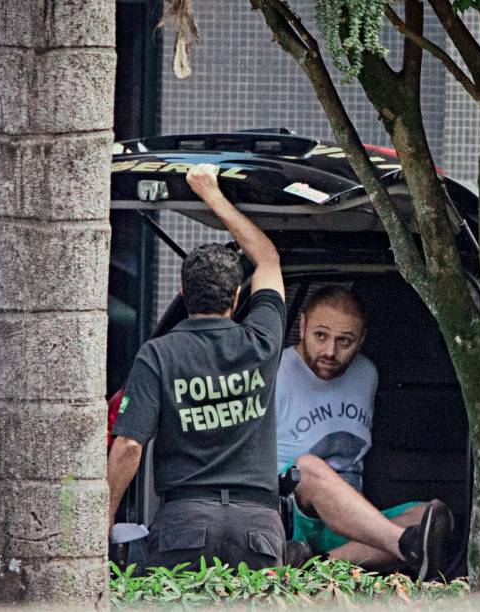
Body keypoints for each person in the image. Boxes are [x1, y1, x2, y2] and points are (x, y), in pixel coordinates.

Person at [107, 163, 286, 570]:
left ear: (183, 291)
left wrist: (105, 517)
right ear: (238, 297)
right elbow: (268, 259)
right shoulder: (261, 339)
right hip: (257, 527)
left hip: (185, 524)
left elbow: (130, 445)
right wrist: (212, 195)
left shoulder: (158, 354)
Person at [276, 286, 452, 580]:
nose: (330, 351)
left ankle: (317, 567)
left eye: (344, 341)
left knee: (435, 517)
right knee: (307, 467)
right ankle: (402, 545)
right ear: (303, 325)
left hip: (354, 522)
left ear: (362, 338)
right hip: (296, 514)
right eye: (321, 336)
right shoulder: (276, 371)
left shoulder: (367, 374)